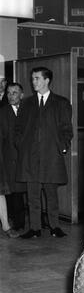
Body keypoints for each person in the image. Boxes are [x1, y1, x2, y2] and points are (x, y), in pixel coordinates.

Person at [15, 67, 73, 238]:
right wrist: (21, 146)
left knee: (51, 195)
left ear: (47, 80)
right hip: (30, 158)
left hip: (51, 156)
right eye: (33, 79)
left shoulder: (61, 103)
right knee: (32, 196)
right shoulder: (26, 103)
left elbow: (67, 129)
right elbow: (18, 129)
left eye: (37, 78)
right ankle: (35, 229)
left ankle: (55, 226)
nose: (34, 82)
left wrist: (62, 147)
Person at [0, 83, 26, 231]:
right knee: (13, 192)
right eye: (9, 93)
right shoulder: (2, 112)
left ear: (21, 95)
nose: (11, 96)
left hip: (26, 158)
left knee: (24, 192)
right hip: (9, 158)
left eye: (15, 93)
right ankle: (16, 223)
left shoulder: (28, 110)